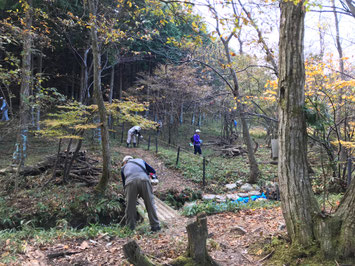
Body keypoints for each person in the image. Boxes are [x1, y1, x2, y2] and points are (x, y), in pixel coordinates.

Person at [121, 156, 161, 232]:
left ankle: (130, 228)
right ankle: (155, 226)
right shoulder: (140, 161)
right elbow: (152, 171)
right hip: (144, 180)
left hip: (130, 182)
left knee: (130, 207)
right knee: (150, 203)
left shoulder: (123, 168)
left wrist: (130, 196)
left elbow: (124, 184)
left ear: (125, 162)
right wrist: (154, 178)